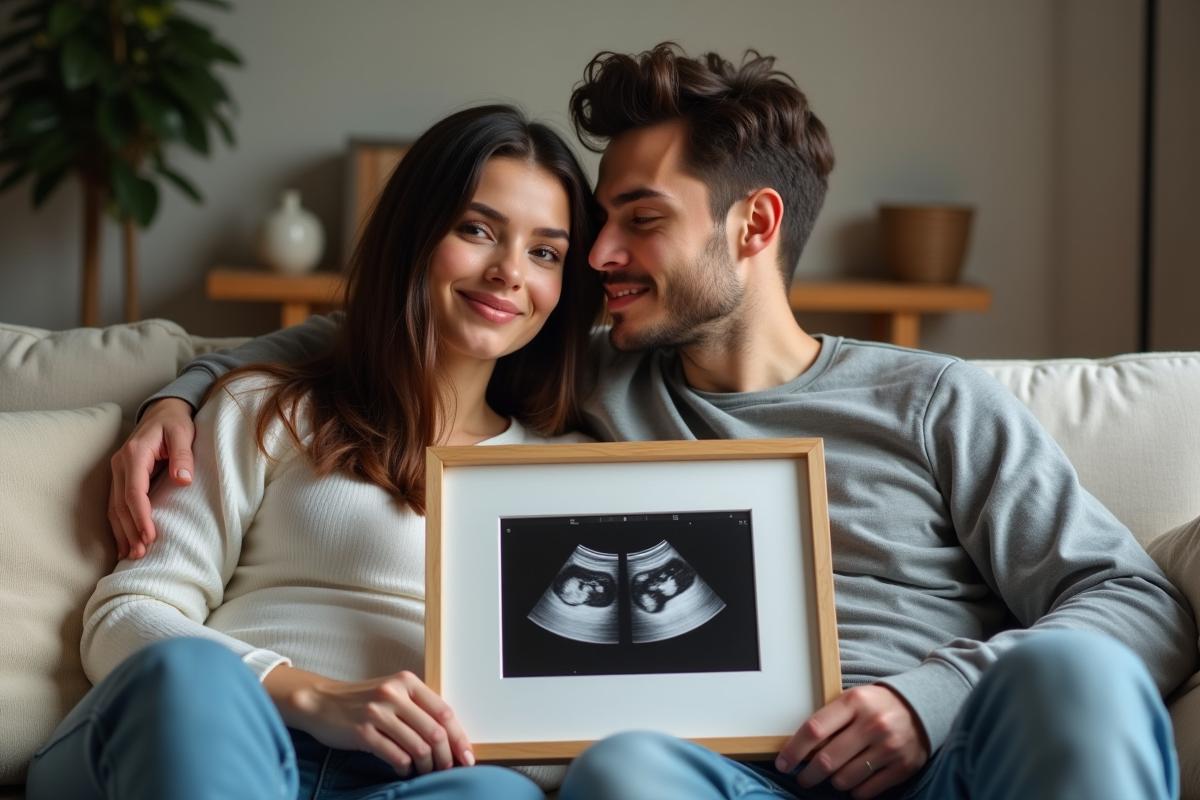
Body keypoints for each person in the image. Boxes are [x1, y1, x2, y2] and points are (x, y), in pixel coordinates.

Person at [108, 45, 1196, 800]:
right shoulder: (588, 380)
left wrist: (930, 699)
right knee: (624, 764)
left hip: (943, 761)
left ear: (753, 226)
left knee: (1075, 674)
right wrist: (184, 386)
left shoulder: (934, 400)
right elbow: (400, 329)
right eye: (595, 227)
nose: (596, 257)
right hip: (726, 777)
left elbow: (1135, 599)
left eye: (638, 221)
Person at [29, 104, 604, 800]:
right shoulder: (267, 407)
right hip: (220, 736)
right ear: (413, 235)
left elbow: (572, 725)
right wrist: (312, 696)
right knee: (191, 676)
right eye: (476, 229)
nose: (510, 271)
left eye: (545, 253)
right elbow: (125, 619)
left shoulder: (573, 472)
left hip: (412, 780)